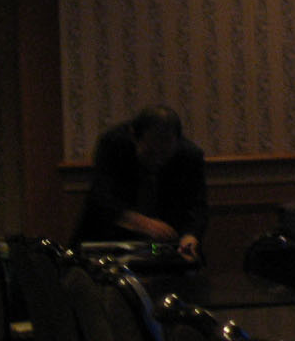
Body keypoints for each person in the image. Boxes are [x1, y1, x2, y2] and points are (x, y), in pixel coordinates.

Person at [72, 104, 207, 261]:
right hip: (108, 241)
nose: (157, 160)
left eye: (164, 153)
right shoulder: (114, 144)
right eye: (150, 153)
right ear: (134, 137)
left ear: (177, 141)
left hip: (163, 248)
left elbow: (197, 207)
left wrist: (190, 236)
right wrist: (140, 222)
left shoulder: (190, 156)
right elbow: (100, 197)